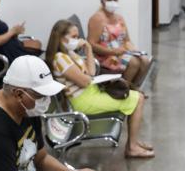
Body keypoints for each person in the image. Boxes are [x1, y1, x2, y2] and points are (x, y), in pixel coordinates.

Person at [45, 19, 155, 159]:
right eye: (73, 37)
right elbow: (85, 81)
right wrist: (89, 78)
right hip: (83, 100)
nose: (77, 40)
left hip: (90, 93)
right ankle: (132, 147)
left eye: (78, 37)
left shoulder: (69, 54)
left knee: (136, 96)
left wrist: (89, 48)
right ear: (60, 37)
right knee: (138, 98)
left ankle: (133, 143)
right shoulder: (60, 58)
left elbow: (91, 73)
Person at [87, 0, 153, 88]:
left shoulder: (119, 18)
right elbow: (91, 44)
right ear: (102, 1)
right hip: (105, 55)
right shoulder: (97, 18)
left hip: (121, 52)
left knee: (145, 60)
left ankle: (133, 88)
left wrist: (133, 49)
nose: (112, 2)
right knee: (134, 63)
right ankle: (121, 89)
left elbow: (127, 40)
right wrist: (113, 52)